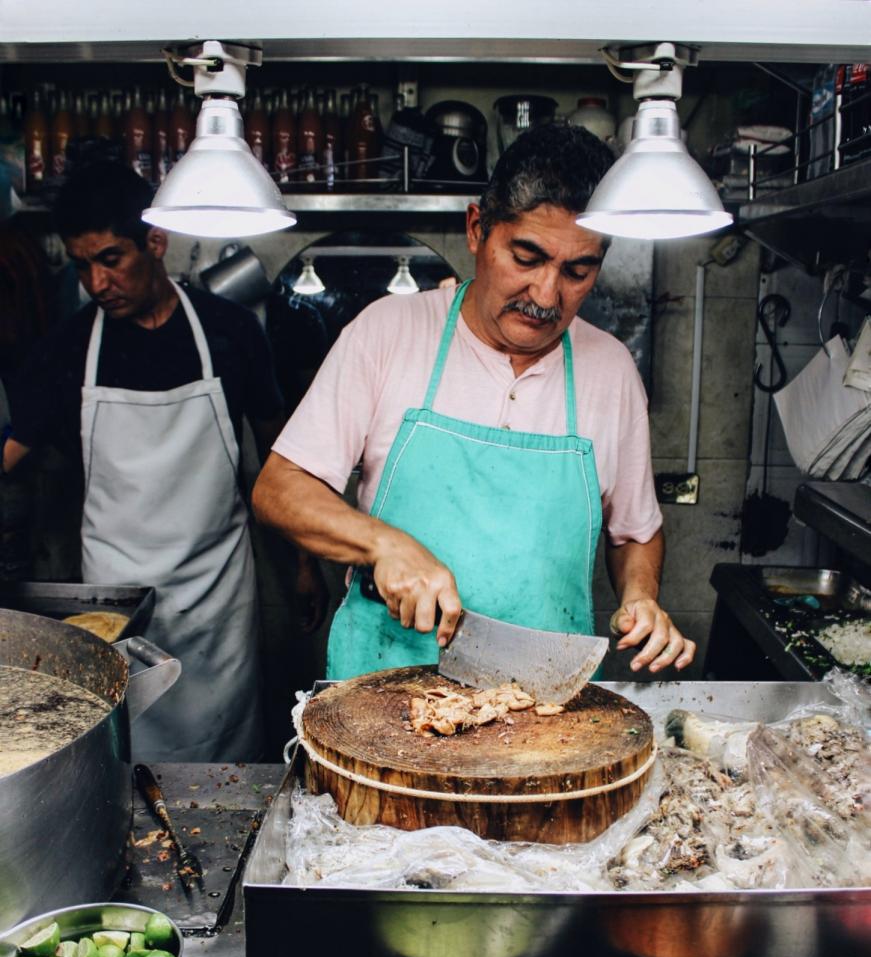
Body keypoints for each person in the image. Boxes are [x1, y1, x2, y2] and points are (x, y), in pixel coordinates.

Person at [252, 123, 695, 680]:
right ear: (476, 229)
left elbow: (636, 531)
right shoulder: (387, 334)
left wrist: (640, 596)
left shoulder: (611, 370)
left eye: (577, 271)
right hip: (383, 687)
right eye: (527, 257)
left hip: (543, 699)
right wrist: (382, 543)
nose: (546, 295)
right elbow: (279, 490)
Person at [1, 160, 324, 760]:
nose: (97, 282)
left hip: (215, 596)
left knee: (225, 761)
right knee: (123, 759)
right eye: (82, 266)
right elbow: (11, 451)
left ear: (156, 241)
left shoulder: (230, 333)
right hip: (116, 602)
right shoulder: (70, 350)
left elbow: (284, 456)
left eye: (110, 259)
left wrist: (305, 561)